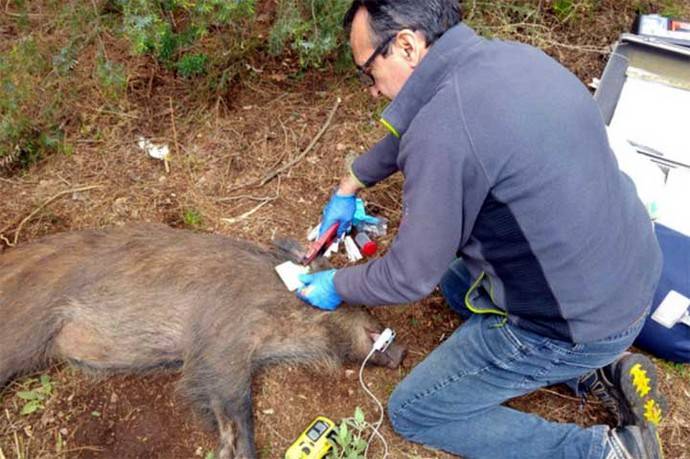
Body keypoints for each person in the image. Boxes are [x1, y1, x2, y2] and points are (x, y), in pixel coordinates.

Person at [296, 1, 666, 458]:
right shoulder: (513, 59)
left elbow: (409, 275)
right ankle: (597, 371)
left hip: (578, 323)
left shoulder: (443, 132)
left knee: (417, 410)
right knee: (457, 286)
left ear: (407, 45)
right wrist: (351, 184)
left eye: (367, 72)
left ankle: (606, 451)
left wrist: (337, 283)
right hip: (628, 273)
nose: (370, 90)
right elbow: (425, 128)